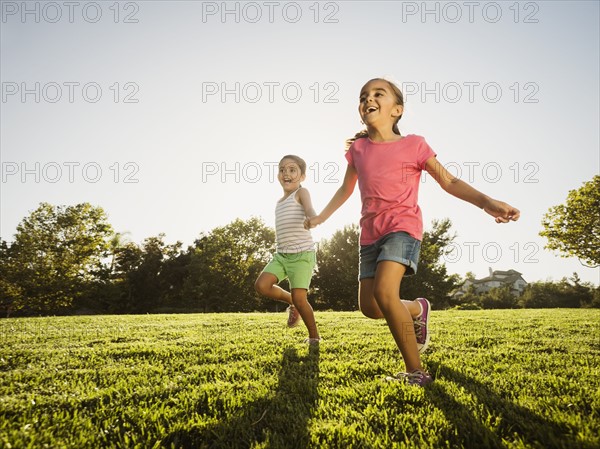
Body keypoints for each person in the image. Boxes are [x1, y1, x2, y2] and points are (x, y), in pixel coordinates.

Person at [305, 78, 520, 386]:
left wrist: (486, 202)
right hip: (369, 236)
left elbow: (449, 181)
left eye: (379, 93)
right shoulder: (359, 150)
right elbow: (345, 190)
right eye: (364, 95)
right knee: (371, 308)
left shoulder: (414, 145)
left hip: (403, 228)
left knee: (385, 292)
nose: (369, 98)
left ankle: (416, 372)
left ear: (397, 110)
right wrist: (321, 217)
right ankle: (418, 309)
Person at [255, 155, 321, 344]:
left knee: (301, 299)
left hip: (302, 256)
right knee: (262, 286)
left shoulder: (301, 192)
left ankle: (314, 337)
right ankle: (292, 302)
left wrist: (312, 218)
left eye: (292, 170)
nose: (286, 173)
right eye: (282, 169)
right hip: (281, 256)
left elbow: (309, 209)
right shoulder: (279, 202)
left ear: (302, 176)